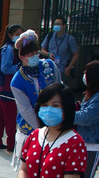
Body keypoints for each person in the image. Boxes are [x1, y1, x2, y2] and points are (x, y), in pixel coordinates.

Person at [10, 30, 61, 170]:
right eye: (30, 55)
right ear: (22, 57)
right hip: (31, 128)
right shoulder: (17, 81)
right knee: (29, 168)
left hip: (55, 122)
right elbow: (25, 110)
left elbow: (60, 88)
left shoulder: (49, 66)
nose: (35, 57)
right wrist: (42, 130)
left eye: (36, 53)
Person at [0, 24, 22, 152]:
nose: (19, 36)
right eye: (17, 33)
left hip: (6, 87)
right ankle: (11, 144)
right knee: (10, 116)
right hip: (7, 88)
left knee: (1, 115)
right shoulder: (8, 49)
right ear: (10, 35)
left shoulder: (11, 48)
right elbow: (5, 68)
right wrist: (20, 68)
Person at [40, 16, 79, 80]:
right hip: (49, 69)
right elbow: (42, 50)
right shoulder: (50, 36)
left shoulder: (69, 39)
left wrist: (69, 67)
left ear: (64, 26)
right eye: (55, 24)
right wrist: (48, 54)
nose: (56, 26)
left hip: (62, 70)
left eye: (58, 24)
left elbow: (76, 54)